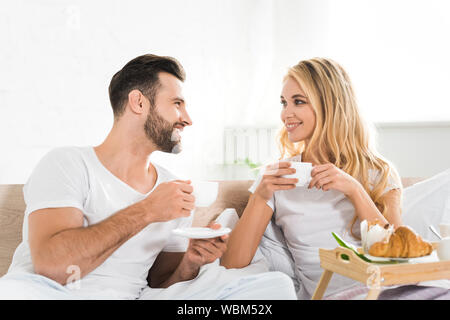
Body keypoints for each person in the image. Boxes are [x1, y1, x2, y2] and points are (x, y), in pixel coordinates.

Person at [0, 54, 296, 300]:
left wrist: (190, 262)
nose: (188, 118)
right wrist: (146, 211)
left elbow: (160, 282)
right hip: (47, 292)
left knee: (273, 290)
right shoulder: (68, 164)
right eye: (177, 103)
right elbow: (53, 267)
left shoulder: (169, 188)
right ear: (138, 103)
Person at [221, 57, 450, 299]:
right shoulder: (278, 177)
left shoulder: (378, 172)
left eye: (298, 102)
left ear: (329, 106)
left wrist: (355, 190)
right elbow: (232, 263)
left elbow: (396, 255)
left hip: (392, 289)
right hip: (332, 293)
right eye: (283, 103)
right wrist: (261, 195)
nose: (286, 114)